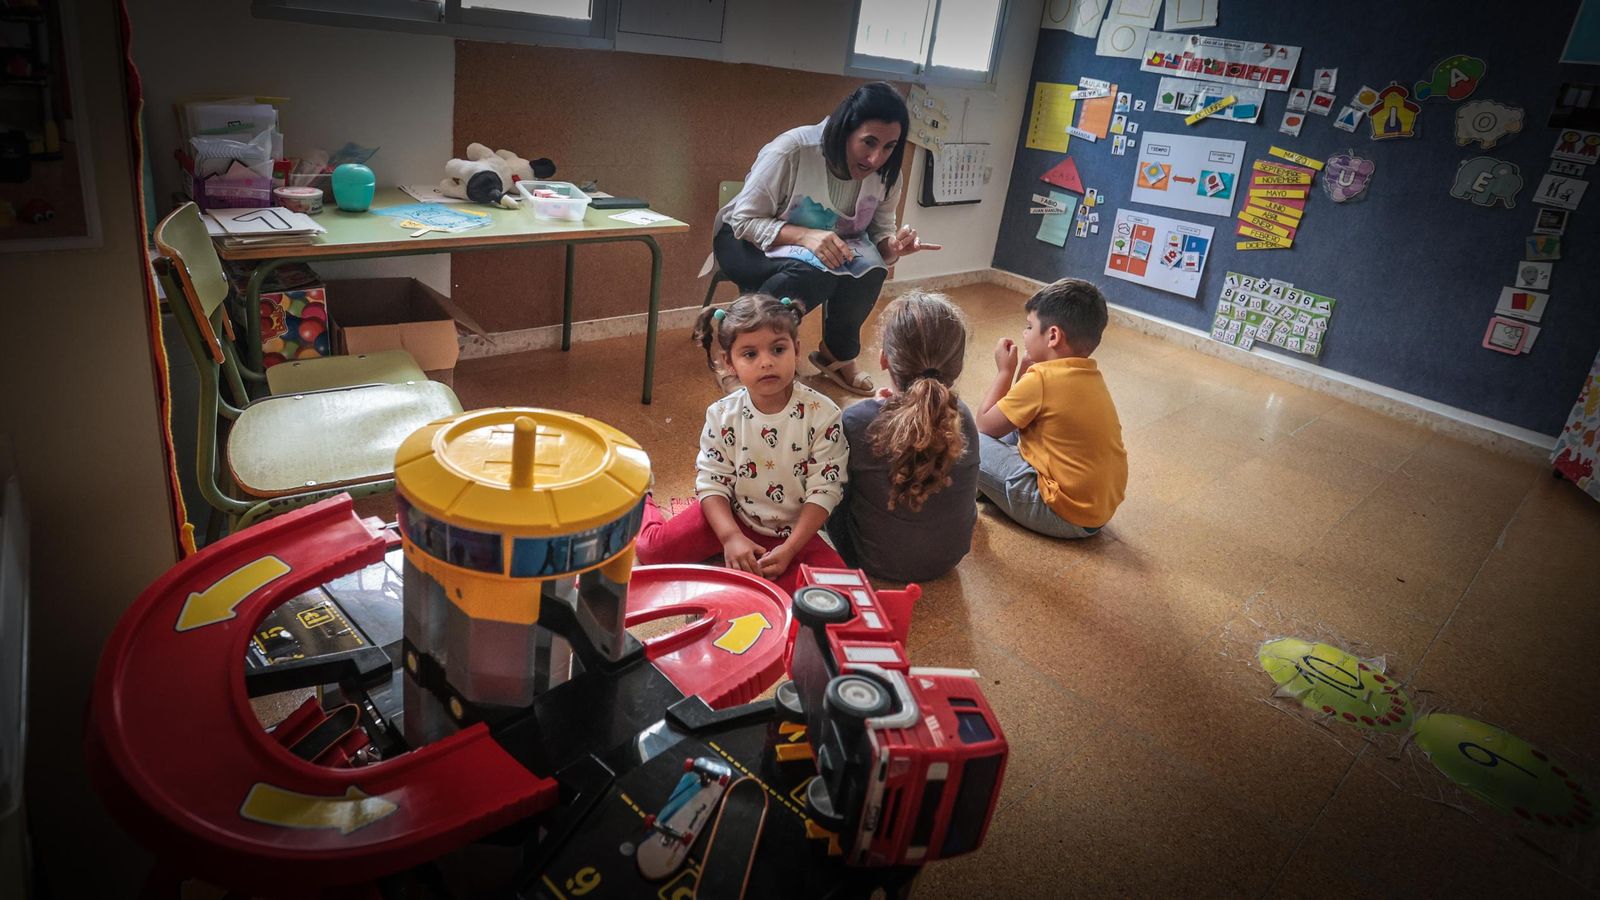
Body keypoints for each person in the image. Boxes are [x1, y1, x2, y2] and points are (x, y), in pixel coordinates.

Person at [707, 82, 942, 396]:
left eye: (888, 147)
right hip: (743, 240)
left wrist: (892, 247)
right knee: (815, 273)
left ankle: (837, 354)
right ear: (845, 130)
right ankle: (747, 355)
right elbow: (744, 220)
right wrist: (805, 236)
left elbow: (879, 231)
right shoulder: (792, 150)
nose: (875, 158)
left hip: (818, 250)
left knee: (871, 267)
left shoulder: (888, 175)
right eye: (868, 142)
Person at [634, 293, 849, 593]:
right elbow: (711, 482)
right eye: (750, 354)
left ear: (796, 350)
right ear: (729, 362)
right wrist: (730, 537)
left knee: (839, 593)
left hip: (792, 534)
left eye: (778, 349)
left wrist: (789, 548)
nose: (766, 362)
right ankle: (642, 496)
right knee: (651, 551)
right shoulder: (722, 414)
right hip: (729, 516)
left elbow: (826, 489)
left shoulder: (824, 415)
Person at [825, 291, 979, 582]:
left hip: (873, 561)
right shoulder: (964, 418)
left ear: (884, 358)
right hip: (949, 558)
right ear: (956, 368)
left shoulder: (857, 420)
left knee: (829, 484)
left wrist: (871, 411)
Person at [974, 278, 1128, 538]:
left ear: (1053, 336)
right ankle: (987, 484)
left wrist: (1005, 371)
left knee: (965, 437)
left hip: (1060, 512)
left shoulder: (1043, 380)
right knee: (1013, 426)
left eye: (1029, 326)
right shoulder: (1086, 373)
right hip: (1094, 514)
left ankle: (977, 484)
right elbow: (1019, 413)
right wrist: (1024, 368)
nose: (1025, 333)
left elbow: (985, 425)